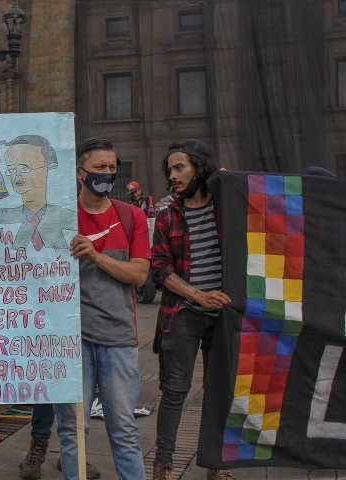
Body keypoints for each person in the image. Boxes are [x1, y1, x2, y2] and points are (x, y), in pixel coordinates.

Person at [52, 137, 150, 480]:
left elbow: (139, 275)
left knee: (123, 429)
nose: (107, 173)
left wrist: (95, 256)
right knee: (72, 428)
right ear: (80, 173)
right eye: (99, 167)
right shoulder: (60, 217)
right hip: (70, 342)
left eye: (112, 167)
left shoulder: (132, 216)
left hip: (118, 338)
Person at [150, 140, 235, 480]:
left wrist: (232, 183)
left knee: (219, 392)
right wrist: (199, 296)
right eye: (169, 169)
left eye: (179, 167)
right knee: (175, 391)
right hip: (183, 312)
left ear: (200, 168)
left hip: (225, 315)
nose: (172, 175)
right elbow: (161, 269)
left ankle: (216, 465)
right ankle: (163, 465)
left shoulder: (226, 208)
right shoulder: (167, 215)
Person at [0, 135, 74, 250]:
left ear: (49, 166)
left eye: (25, 169)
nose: (17, 175)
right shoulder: (7, 216)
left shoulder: (64, 216)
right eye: (12, 170)